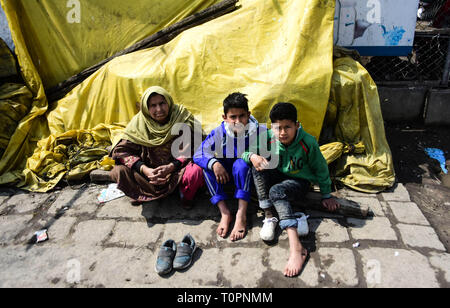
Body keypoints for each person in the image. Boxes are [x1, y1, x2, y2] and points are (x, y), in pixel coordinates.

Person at [242, 102, 340, 277]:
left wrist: (326, 194)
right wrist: (252, 156)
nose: (282, 132)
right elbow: (245, 153)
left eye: (287, 127)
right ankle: (269, 216)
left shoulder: (307, 142)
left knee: (277, 192)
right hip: (277, 177)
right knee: (255, 167)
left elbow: (321, 168)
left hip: (298, 182)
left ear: (297, 125)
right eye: (278, 128)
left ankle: (297, 249)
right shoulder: (267, 137)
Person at [110, 86, 204, 209]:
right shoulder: (139, 123)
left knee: (195, 171)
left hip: (177, 171)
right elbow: (122, 151)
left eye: (162, 103)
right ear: (145, 108)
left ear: (169, 102)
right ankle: (140, 192)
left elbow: (196, 146)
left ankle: (186, 195)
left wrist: (171, 167)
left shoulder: (182, 117)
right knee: (118, 171)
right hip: (148, 175)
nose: (159, 109)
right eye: (153, 106)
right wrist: (146, 170)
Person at [193, 92, 262, 241]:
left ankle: (241, 214)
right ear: (225, 118)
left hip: (246, 180)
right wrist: (215, 163)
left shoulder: (258, 132)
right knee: (208, 167)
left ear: (249, 115)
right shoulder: (220, 132)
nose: (238, 121)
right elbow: (199, 154)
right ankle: (225, 212)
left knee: (241, 164)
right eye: (233, 117)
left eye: (242, 116)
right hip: (225, 177)